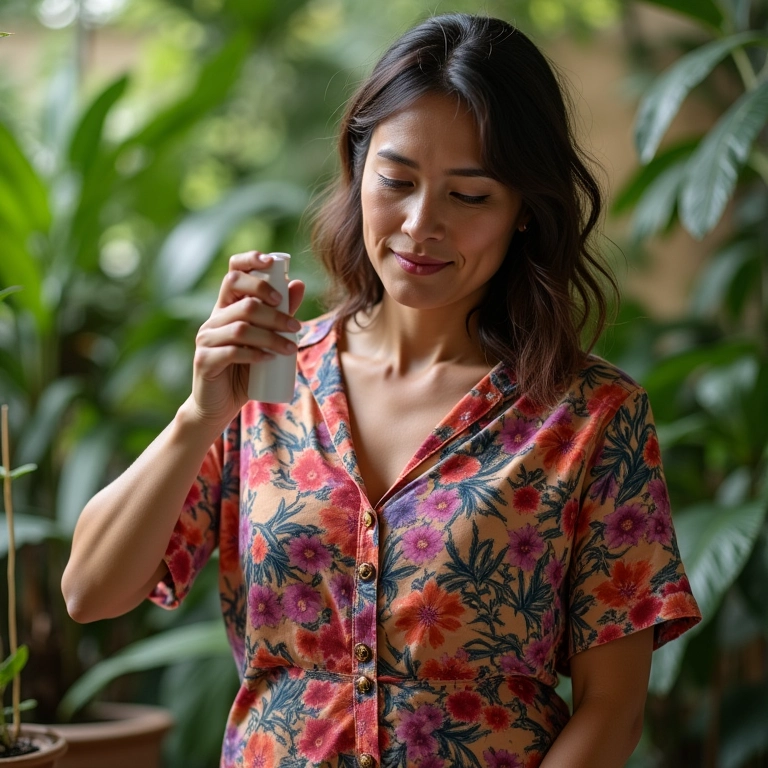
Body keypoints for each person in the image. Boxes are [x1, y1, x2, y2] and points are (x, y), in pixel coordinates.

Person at [62, 13, 702, 768]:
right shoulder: (266, 382)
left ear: (525, 210)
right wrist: (200, 414)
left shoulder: (592, 417)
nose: (420, 224)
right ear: (358, 169)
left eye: (469, 197)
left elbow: (613, 705)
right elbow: (90, 593)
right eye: (397, 181)